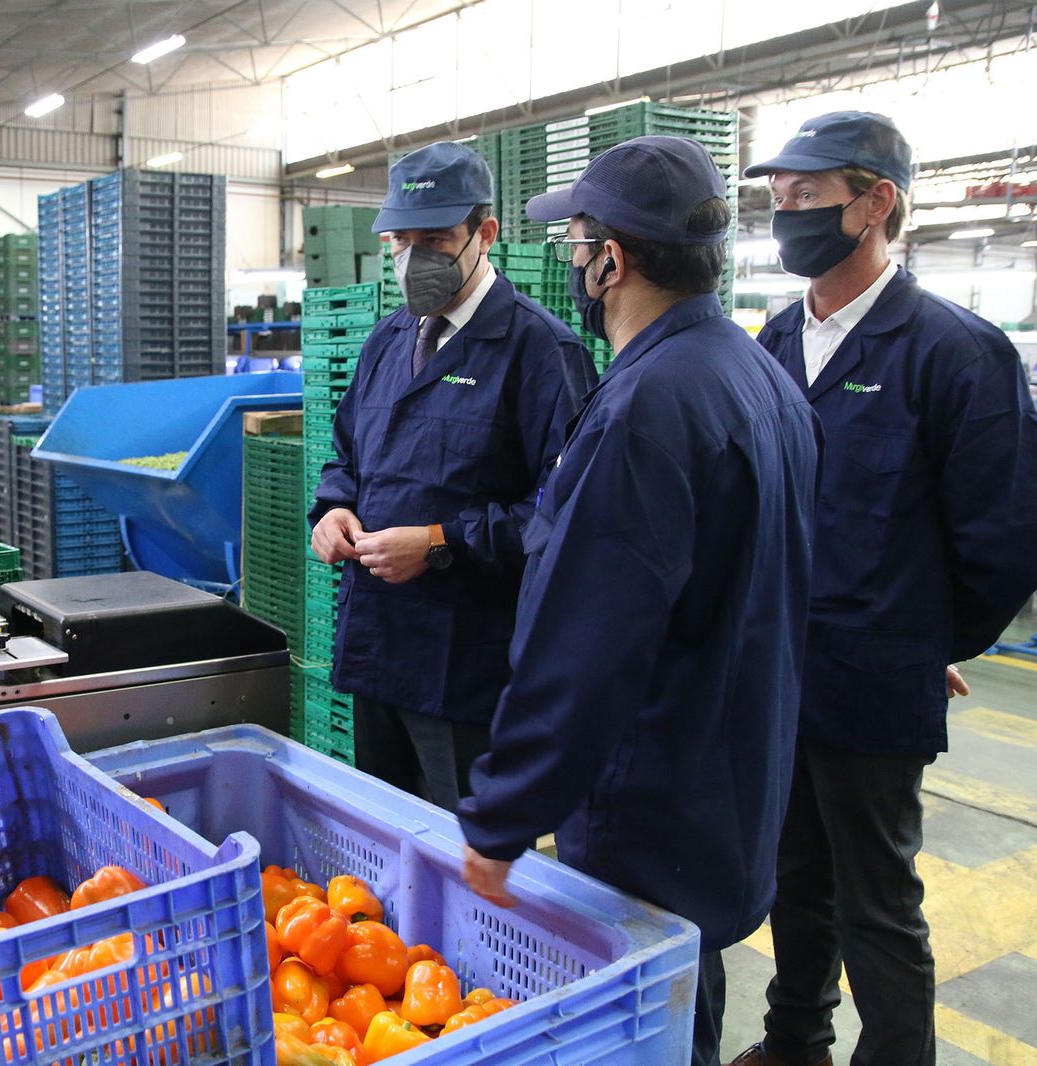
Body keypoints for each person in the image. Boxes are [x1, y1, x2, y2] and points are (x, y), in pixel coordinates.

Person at [455, 137, 819, 1066]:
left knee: (636, 1022)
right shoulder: (760, 379)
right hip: (730, 783)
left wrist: (501, 815)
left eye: (577, 241)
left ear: (610, 259)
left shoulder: (647, 407)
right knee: (684, 985)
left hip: (651, 796)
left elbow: (587, 639)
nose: (572, 264)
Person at [730, 112, 1037, 1066]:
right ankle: (795, 1044)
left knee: (877, 900)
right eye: (778, 198)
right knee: (794, 879)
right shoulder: (774, 340)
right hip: (782, 676)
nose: (787, 214)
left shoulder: (955, 352)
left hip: (872, 682)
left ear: (878, 203)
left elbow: (1004, 540)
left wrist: (925, 643)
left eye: (809, 196)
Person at [308, 141, 596, 813]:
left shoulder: (540, 352)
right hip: (377, 648)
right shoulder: (386, 341)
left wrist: (438, 543)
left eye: (435, 239)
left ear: (484, 234)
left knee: (463, 863)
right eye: (401, 240)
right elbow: (346, 457)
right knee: (379, 849)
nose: (415, 259)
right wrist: (333, 510)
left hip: (467, 671)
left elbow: (561, 514)